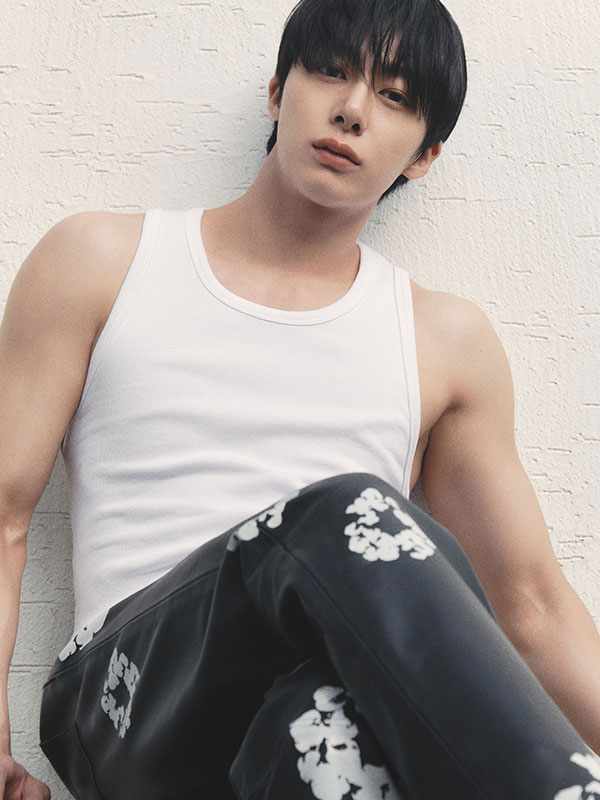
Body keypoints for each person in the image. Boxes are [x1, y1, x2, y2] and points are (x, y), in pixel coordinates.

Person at [1, 0, 599, 797]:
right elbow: (2, 516)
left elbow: (531, 608)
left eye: (394, 97)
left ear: (425, 155)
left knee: (336, 736)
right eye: (331, 72)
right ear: (279, 92)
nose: (352, 110)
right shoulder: (104, 259)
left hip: (295, 717)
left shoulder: (443, 340)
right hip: (121, 700)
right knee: (347, 515)